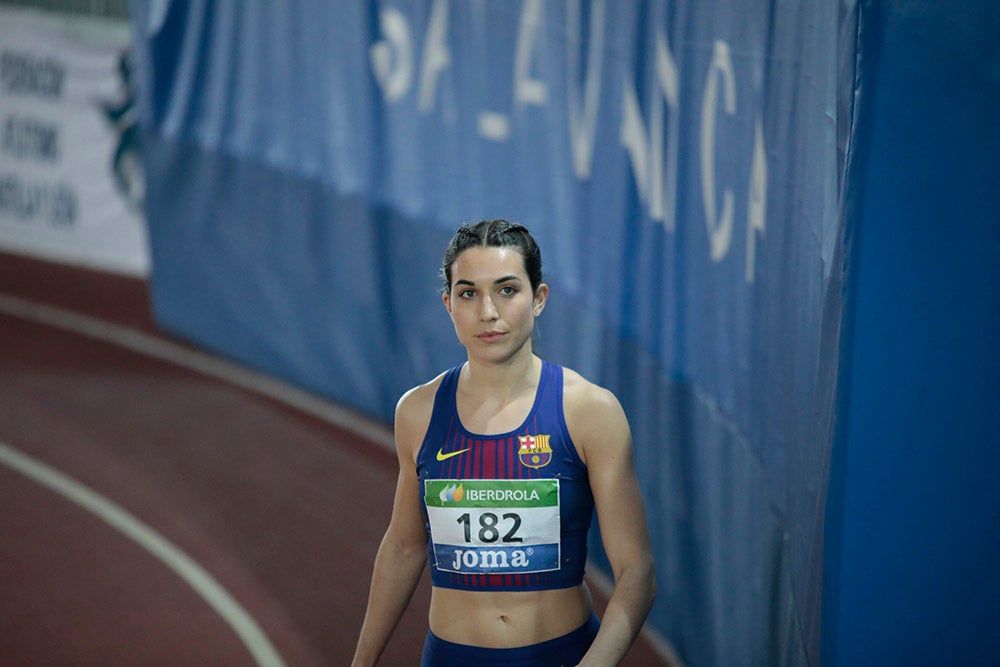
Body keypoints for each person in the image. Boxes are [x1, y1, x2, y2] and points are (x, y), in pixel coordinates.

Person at [352, 219, 655, 666]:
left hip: (563, 654)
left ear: (539, 299)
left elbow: (636, 570)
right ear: (448, 304)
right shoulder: (416, 413)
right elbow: (404, 546)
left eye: (507, 290)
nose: (487, 312)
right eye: (468, 293)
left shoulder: (590, 412)